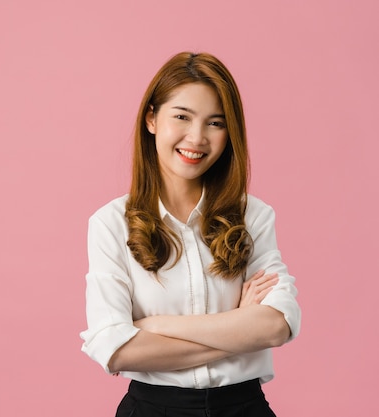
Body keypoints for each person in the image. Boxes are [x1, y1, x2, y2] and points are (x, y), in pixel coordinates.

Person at [80, 52, 301, 417]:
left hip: (243, 408)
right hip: (152, 409)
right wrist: (240, 333)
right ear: (152, 119)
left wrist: (155, 327)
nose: (197, 138)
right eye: (181, 117)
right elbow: (117, 349)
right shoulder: (110, 223)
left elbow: (277, 325)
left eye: (216, 123)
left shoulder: (253, 216)